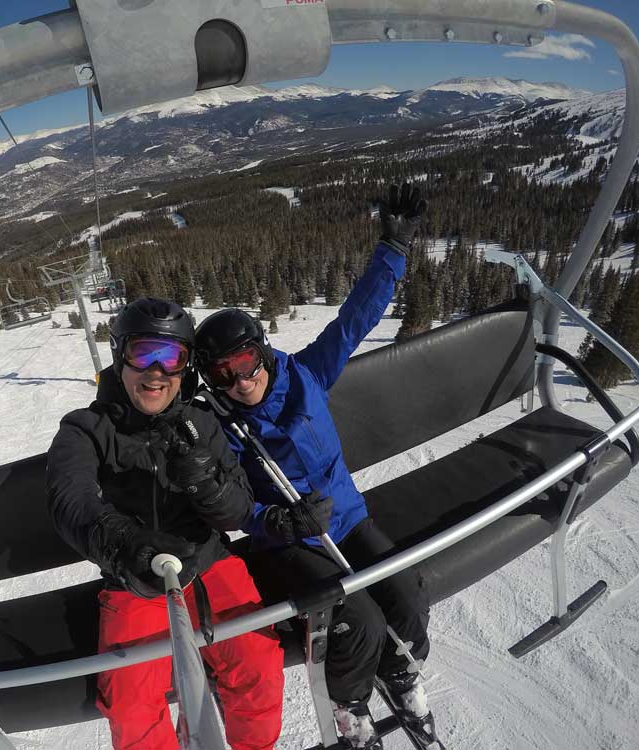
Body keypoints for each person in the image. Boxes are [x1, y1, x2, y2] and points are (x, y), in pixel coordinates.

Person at [194, 185, 443, 750]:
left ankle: (399, 673)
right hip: (288, 545)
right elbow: (226, 504)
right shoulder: (223, 428)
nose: (239, 381)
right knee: (358, 621)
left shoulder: (306, 375)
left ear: (262, 351)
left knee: (405, 593)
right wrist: (276, 522)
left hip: (347, 520)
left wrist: (393, 250)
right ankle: (349, 708)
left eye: (245, 364)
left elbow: (355, 320)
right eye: (222, 374)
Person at [46, 297, 284, 750]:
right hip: (135, 576)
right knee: (131, 703)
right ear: (121, 358)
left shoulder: (200, 423)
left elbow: (237, 510)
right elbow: (70, 499)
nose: (156, 371)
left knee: (256, 663)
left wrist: (206, 486)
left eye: (170, 356)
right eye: (144, 353)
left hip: (208, 563)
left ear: (185, 367)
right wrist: (125, 544)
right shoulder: (85, 430)